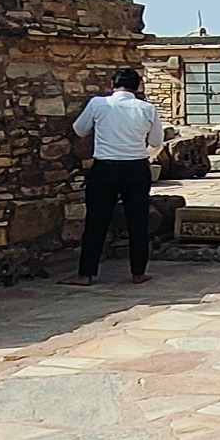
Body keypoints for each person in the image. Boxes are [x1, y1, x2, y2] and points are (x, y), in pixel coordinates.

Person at [71, 68, 164, 285]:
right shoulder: (147, 108)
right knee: (138, 221)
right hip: (136, 169)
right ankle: (138, 272)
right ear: (138, 86)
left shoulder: (98, 104)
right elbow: (156, 141)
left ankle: (85, 273)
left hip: (106, 168)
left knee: (96, 220)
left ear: (113, 83)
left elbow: (79, 129)